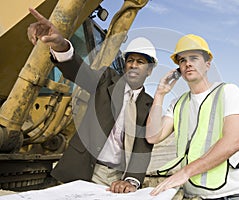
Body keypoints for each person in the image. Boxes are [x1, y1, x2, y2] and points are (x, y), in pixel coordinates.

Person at [27, 8, 157, 193]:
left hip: (116, 178)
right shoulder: (106, 79)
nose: (134, 65)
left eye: (141, 62)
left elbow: (142, 147)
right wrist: (60, 45)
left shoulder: (149, 105)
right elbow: (79, 72)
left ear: (149, 70)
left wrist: (132, 180)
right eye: (131, 60)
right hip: (82, 168)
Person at [146, 34, 239, 199]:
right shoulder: (177, 104)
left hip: (232, 194)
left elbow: (233, 142)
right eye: (182, 60)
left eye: (194, 58)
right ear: (179, 69)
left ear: (207, 64)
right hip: (195, 195)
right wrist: (160, 94)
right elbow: (153, 136)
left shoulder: (228, 92)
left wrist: (185, 172)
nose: (187, 63)